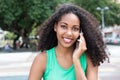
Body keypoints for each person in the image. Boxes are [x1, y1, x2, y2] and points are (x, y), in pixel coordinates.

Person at [28, 3, 109, 80]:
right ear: (55, 27)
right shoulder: (42, 59)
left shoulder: (90, 58)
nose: (69, 33)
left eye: (75, 28)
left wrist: (76, 59)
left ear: (80, 32)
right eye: (64, 26)